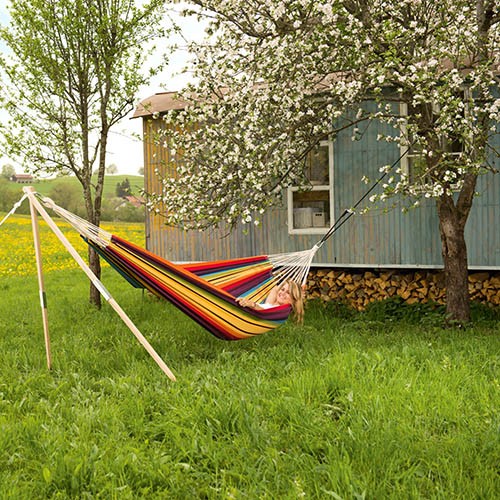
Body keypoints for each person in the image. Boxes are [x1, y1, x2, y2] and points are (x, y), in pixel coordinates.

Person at [236, 279, 304, 324]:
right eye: (282, 289)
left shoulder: (281, 311)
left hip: (252, 312)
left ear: (294, 299)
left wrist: (252, 304)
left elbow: (265, 311)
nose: (282, 293)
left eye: (288, 293)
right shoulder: (272, 302)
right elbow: (275, 289)